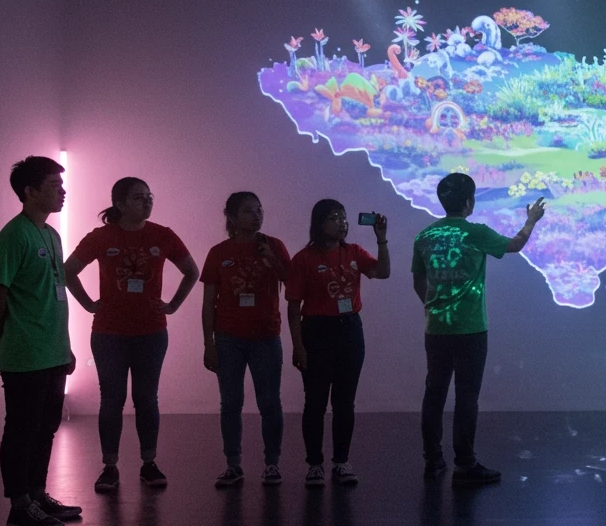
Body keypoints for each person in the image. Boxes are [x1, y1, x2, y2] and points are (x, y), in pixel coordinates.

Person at [65, 178, 199, 493]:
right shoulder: (100, 237)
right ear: (120, 204)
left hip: (151, 333)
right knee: (112, 399)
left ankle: (148, 463)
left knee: (146, 398)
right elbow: (67, 270)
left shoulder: (163, 236)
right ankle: (109, 467)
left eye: (150, 196)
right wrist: (88, 304)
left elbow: (192, 271)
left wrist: (173, 305)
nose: (147, 202)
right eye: (139, 197)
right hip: (109, 333)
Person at [412, 173, 546, 486]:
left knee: (434, 395)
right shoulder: (475, 233)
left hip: (436, 329)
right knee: (466, 398)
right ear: (469, 202)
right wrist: (531, 221)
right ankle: (465, 463)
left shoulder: (424, 236)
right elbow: (514, 245)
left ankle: (432, 461)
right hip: (470, 329)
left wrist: (431, 305)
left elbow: (418, 279)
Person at [0, 156, 80, 526]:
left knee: (46, 427)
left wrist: (66, 347)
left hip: (53, 352)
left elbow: (52, 296)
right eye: (54, 184)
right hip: (24, 354)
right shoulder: (13, 237)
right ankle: (19, 507)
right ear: (30, 191)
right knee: (22, 429)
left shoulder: (51, 235)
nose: (62, 190)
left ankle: (38, 496)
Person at [285, 200, 390, 486]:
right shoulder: (303, 259)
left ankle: (342, 462)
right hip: (316, 332)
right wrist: (298, 345)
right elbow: (293, 307)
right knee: (315, 402)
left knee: (345, 402)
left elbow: (382, 272)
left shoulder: (354, 252)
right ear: (319, 223)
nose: (342, 223)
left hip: (350, 331)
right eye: (334, 218)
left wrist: (381, 239)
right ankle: (315, 464)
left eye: (344, 217)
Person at [200, 192, 290, 488]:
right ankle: (233, 464)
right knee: (230, 404)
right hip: (229, 339)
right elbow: (209, 301)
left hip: (266, 336)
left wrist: (271, 259)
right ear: (233, 217)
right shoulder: (218, 252)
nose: (257, 215)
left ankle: (272, 464)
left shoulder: (273, 246)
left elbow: (293, 281)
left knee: (270, 403)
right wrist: (209, 344)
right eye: (249, 211)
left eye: (259, 209)